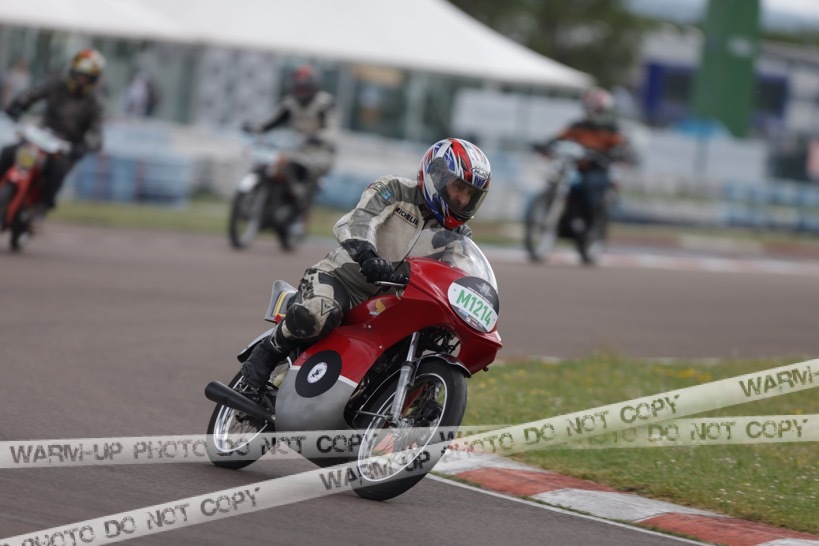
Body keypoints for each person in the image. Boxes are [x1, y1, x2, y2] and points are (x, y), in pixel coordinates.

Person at [240, 137, 491, 389]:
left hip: (394, 305)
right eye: (459, 187)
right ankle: (267, 353)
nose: (462, 199)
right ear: (437, 175)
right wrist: (367, 255)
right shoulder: (394, 189)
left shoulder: (460, 235)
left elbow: (458, 275)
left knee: (406, 352)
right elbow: (361, 220)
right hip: (343, 279)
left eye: (470, 193)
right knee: (320, 312)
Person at [1, 49, 105, 221]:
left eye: (86, 77)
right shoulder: (56, 85)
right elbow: (32, 93)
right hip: (41, 135)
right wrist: (18, 105)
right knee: (9, 152)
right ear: (72, 72)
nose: (81, 80)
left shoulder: (95, 102)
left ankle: (42, 207)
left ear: (94, 79)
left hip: (66, 146)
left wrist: (83, 146)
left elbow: (96, 134)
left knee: (58, 167)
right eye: (79, 75)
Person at [241, 64, 338, 224]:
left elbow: (332, 129)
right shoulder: (290, 103)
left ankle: (300, 204)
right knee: (278, 163)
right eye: (299, 87)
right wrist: (256, 127)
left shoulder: (325, 103)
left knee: (303, 169)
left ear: (314, 87)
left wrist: (317, 136)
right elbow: (272, 121)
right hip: (297, 149)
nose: (302, 92)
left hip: (320, 151)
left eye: (305, 88)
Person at [533, 86, 635, 217]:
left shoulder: (611, 129)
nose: (592, 113)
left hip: (597, 169)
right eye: (589, 109)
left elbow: (624, 147)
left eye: (596, 110)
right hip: (576, 167)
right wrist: (545, 145)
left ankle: (588, 220)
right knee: (558, 178)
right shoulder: (577, 126)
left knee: (590, 188)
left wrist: (616, 153)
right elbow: (558, 137)